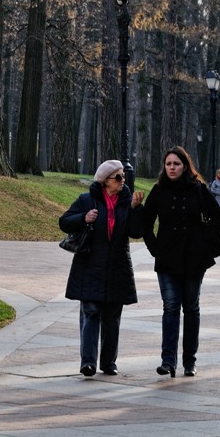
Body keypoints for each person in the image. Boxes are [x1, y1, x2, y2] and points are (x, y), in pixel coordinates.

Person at [139, 146, 220, 378]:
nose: (172, 168)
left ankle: (189, 361)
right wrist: (154, 248)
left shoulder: (197, 189)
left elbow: (217, 216)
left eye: (176, 164)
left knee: (191, 307)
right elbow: (146, 224)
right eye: (168, 164)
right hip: (167, 258)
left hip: (194, 257)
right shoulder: (158, 191)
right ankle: (168, 361)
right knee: (170, 307)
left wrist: (204, 241)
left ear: (185, 166)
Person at [59, 160, 144, 377]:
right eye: (118, 177)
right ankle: (88, 362)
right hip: (90, 265)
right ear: (105, 181)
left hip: (117, 268)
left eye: (123, 177)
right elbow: (64, 222)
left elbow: (136, 232)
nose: (122, 181)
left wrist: (136, 209)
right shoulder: (87, 200)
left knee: (112, 318)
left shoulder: (126, 202)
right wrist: (83, 218)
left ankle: (109, 363)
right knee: (91, 312)